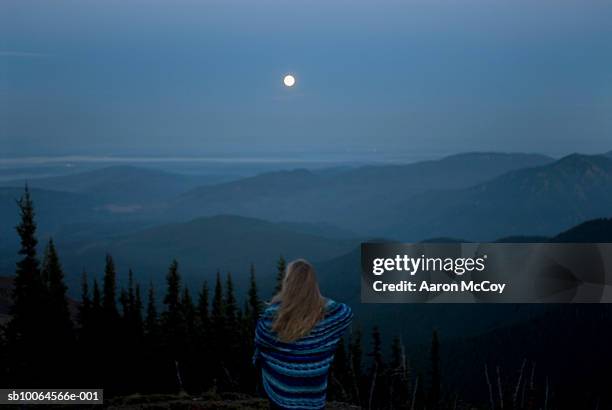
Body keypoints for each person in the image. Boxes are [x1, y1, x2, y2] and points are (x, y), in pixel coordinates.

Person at [253, 259, 353, 410]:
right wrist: (320, 302)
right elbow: (347, 312)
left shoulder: (271, 316)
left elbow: (260, 343)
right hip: (314, 396)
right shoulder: (330, 315)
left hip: (280, 394)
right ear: (313, 284)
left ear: (288, 283)